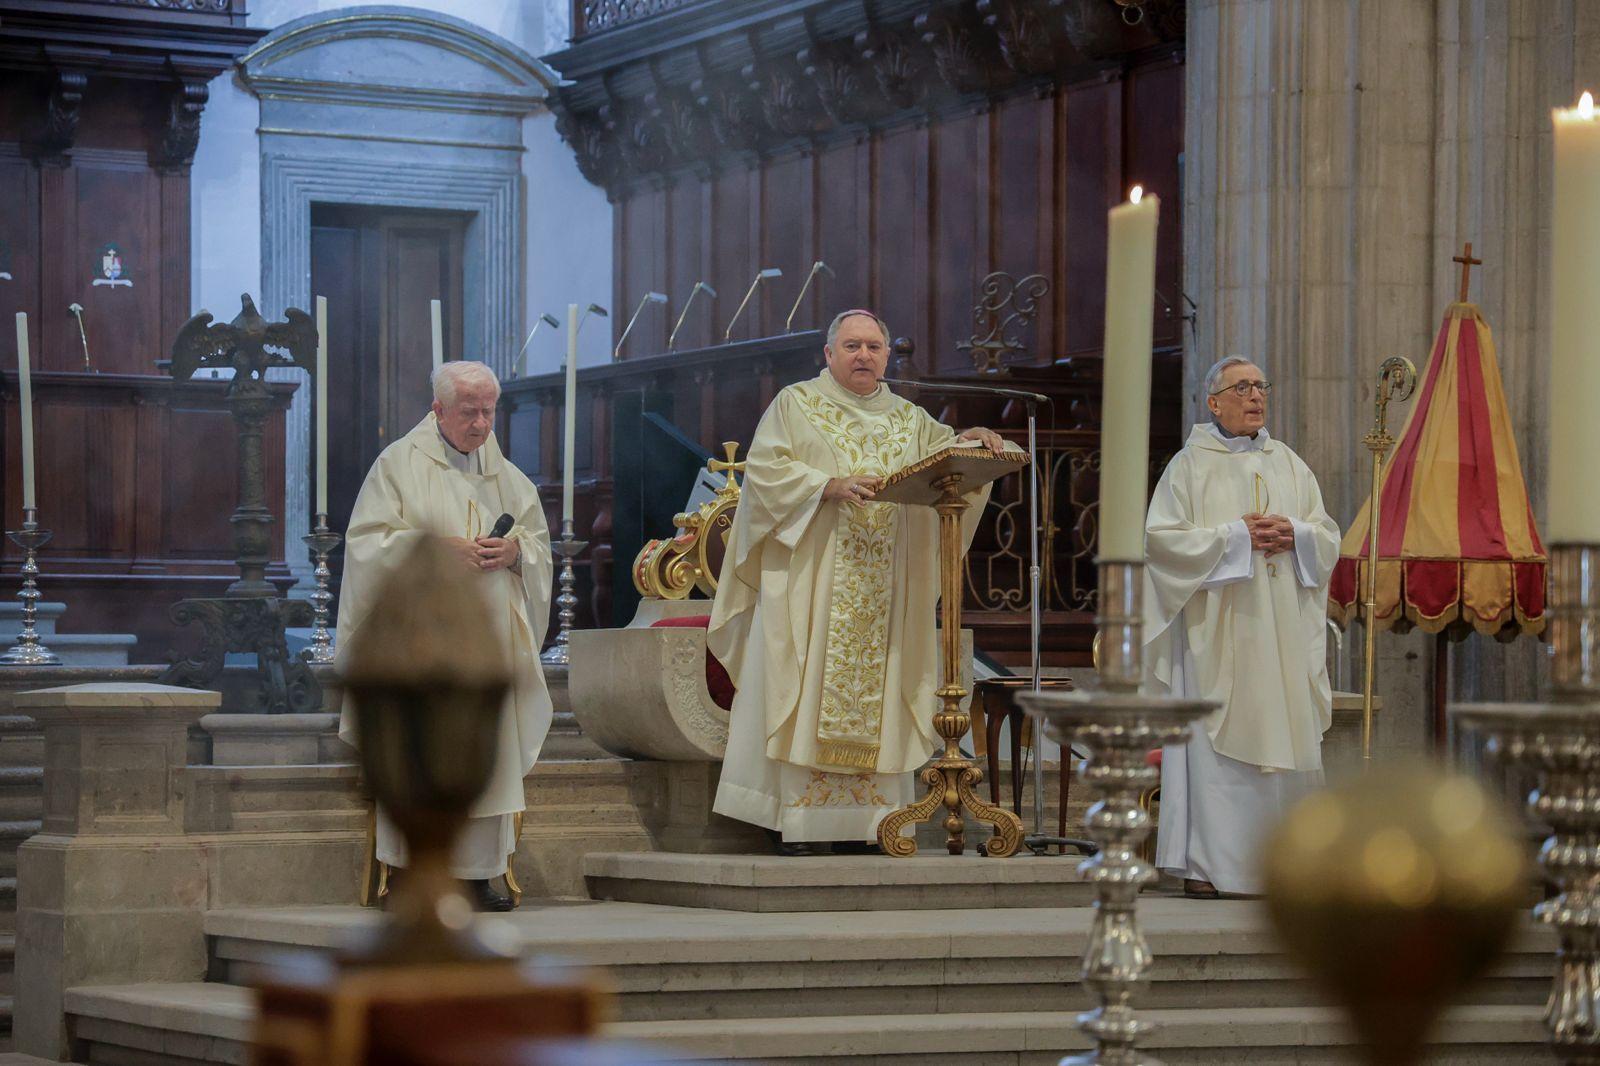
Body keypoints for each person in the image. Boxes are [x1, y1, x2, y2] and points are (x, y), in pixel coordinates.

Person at [709, 309, 1010, 855]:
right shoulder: (796, 404)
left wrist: (968, 442)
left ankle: (872, 825)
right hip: (814, 580)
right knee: (802, 685)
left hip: (884, 590)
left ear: (888, 355)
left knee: (884, 686)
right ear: (828, 354)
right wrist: (827, 485)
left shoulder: (911, 418)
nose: (863, 355)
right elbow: (767, 472)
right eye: (852, 346)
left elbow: (944, 465)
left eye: (873, 346)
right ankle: (798, 823)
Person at [336, 360, 553, 910]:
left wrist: (516, 552)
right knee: (419, 746)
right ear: (438, 409)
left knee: (486, 749)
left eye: (488, 411)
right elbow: (365, 544)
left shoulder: (509, 475)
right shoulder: (398, 466)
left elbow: (538, 544)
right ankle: (412, 878)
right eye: (468, 411)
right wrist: (436, 550)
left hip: (487, 646)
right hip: (421, 647)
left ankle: (478, 876)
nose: (481, 424)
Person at [1146, 355, 1341, 898]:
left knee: (1285, 734)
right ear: (1214, 402)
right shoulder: (1188, 467)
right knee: (1215, 742)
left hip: (1279, 629)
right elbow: (1161, 544)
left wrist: (1296, 534)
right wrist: (1236, 537)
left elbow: (1327, 536)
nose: (1255, 396)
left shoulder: (1290, 463)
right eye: (1242, 387)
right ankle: (1209, 867)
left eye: (1261, 385)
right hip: (1219, 629)